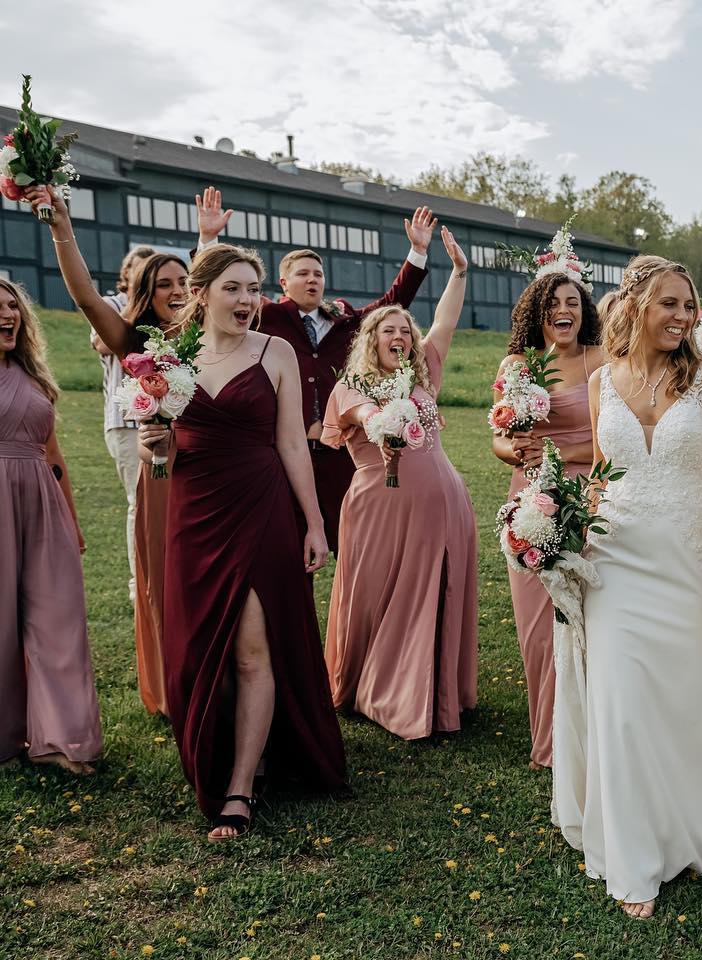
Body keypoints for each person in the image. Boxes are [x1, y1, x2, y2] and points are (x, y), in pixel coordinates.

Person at [571, 255, 702, 919]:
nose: (684, 317)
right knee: (622, 704)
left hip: (687, 560)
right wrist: (562, 528)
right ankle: (633, 858)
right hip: (615, 558)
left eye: (689, 306)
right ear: (635, 306)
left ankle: (690, 831)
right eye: (670, 305)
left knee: (682, 702)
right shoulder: (599, 382)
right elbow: (601, 467)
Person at [138, 242, 346, 840]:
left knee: (254, 652)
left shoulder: (275, 352)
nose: (247, 301)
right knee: (200, 650)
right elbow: (163, 451)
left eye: (253, 289)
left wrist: (313, 523)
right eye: (233, 288)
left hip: (261, 510)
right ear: (200, 294)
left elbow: (291, 446)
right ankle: (219, 752)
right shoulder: (169, 358)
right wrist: (156, 446)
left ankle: (240, 786)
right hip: (194, 511)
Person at [194, 187, 435, 550]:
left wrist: (417, 253)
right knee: (290, 545)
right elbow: (218, 296)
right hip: (287, 451)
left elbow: (391, 305)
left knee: (353, 542)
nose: (312, 280)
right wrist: (209, 240)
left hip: (340, 454)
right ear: (283, 284)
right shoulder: (265, 316)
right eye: (303, 274)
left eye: (318, 274)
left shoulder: (345, 320)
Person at [30, 188, 188, 717]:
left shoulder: (214, 337)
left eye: (184, 282)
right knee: (163, 572)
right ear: (145, 291)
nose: (176, 290)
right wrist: (61, 227)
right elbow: (85, 298)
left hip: (214, 472)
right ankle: (173, 680)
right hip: (161, 473)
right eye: (163, 284)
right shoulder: (132, 341)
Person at [323, 228, 477, 740]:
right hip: (380, 509)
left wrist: (458, 272)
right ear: (371, 341)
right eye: (388, 331)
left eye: (405, 332)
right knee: (374, 595)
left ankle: (431, 689)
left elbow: (446, 320)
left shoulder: (424, 374)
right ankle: (369, 683)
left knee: (433, 595)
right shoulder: (349, 388)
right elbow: (366, 416)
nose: (400, 338)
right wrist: (381, 428)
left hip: (442, 503)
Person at [492, 245, 604, 769]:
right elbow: (499, 436)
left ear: (584, 311)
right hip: (530, 492)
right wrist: (515, 449)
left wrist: (560, 453)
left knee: (591, 614)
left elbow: (615, 439)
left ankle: (596, 735)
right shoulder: (517, 364)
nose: (565, 310)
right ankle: (553, 740)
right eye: (554, 303)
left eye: (574, 302)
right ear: (537, 312)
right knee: (538, 622)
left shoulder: (602, 360)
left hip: (590, 491)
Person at [0, 277, 101, 776]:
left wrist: (72, 522)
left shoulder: (33, 377)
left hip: (42, 505)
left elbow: (54, 455)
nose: (8, 315)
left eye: (13, 306)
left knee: (58, 620)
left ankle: (63, 739)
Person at [94, 244, 155, 602]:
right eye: (139, 268)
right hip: (126, 421)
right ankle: (139, 583)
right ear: (127, 274)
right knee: (139, 501)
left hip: (164, 422)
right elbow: (103, 344)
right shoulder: (114, 305)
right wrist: (137, 303)